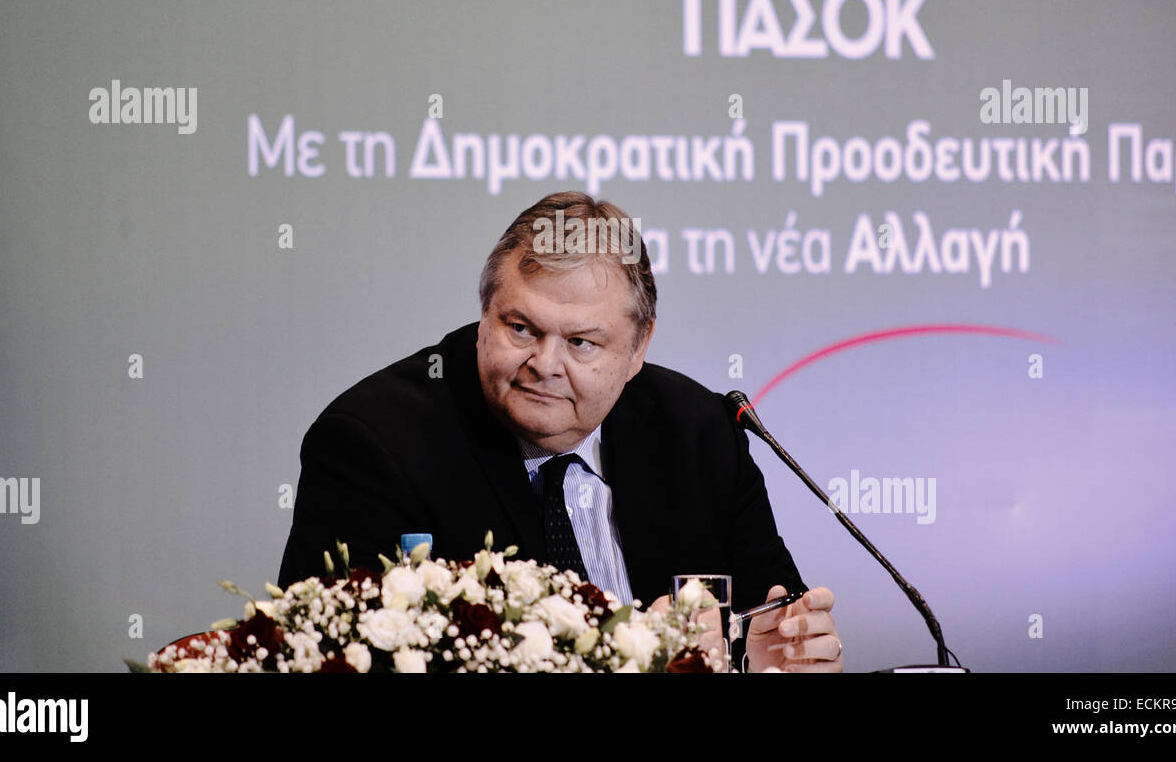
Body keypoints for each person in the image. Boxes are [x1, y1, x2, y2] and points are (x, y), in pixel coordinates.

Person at [279, 191, 842, 672]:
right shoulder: (372, 447)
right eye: (520, 328)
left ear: (638, 346)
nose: (545, 364)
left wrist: (772, 654)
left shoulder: (699, 432)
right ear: (485, 313)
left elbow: (772, 616)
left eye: (581, 342)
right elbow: (333, 657)